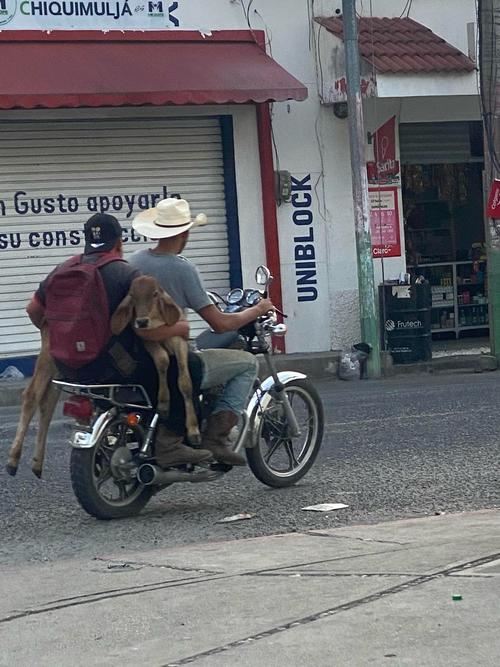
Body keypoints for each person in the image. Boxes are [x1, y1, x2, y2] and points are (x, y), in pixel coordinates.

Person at [26, 212, 212, 468]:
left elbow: (33, 310)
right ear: (119, 243)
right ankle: (170, 444)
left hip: (74, 367)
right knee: (190, 365)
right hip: (117, 367)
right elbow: (146, 331)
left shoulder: (65, 268)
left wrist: (64, 336)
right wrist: (180, 326)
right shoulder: (127, 273)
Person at [129, 198, 275, 467]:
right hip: (176, 357)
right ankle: (216, 439)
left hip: (139, 355)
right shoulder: (183, 268)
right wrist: (257, 309)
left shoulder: (134, 261)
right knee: (247, 363)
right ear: (184, 233)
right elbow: (219, 323)